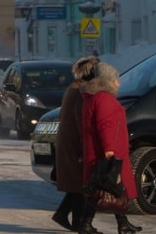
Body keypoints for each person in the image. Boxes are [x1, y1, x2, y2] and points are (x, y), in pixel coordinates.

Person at [80, 61, 142, 234]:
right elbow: (105, 125)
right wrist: (109, 149)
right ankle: (92, 224)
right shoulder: (104, 99)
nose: (119, 83)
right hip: (107, 151)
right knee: (110, 187)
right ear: (108, 81)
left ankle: (118, 223)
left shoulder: (95, 97)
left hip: (101, 150)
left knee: (106, 188)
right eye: (116, 80)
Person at [51, 56, 99, 232]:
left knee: (76, 185)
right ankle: (80, 224)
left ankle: (63, 214)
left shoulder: (73, 88)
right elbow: (82, 122)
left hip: (68, 142)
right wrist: (86, 145)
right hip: (75, 145)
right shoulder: (80, 92)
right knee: (81, 185)